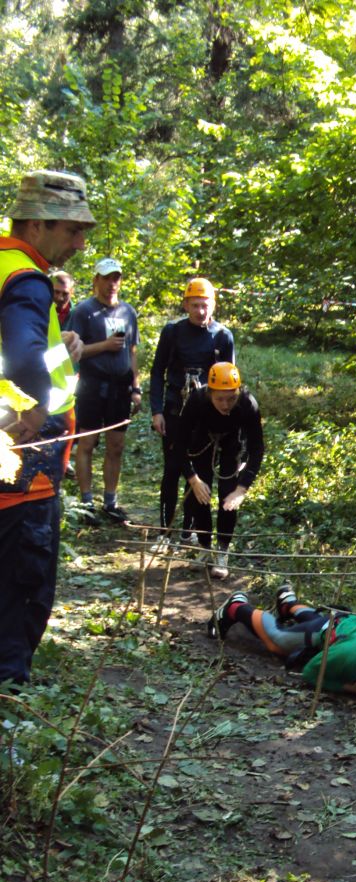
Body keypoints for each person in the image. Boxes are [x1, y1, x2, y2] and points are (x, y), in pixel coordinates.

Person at [0, 169, 94, 686]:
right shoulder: (26, 279)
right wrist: (33, 418)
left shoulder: (3, 267)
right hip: (22, 479)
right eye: (71, 229)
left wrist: (61, 350)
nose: (79, 242)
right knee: (19, 596)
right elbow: (21, 358)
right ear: (36, 224)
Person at [208, 585, 356, 704]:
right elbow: (312, 671)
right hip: (335, 632)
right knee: (278, 642)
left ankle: (288, 604)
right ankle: (235, 606)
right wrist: (351, 688)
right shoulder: (352, 657)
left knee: (313, 620)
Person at [149, 277, 234, 538]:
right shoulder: (172, 332)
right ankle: (165, 531)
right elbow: (157, 372)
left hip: (204, 418)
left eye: (205, 305)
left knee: (199, 473)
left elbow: (230, 382)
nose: (201, 311)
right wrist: (157, 410)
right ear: (186, 305)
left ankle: (188, 529)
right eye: (195, 305)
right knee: (173, 470)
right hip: (175, 412)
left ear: (213, 305)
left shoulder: (222, 337)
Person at [67, 257, 140, 523]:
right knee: (87, 442)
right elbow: (73, 351)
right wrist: (104, 346)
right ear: (96, 279)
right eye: (107, 278)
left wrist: (136, 387)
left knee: (116, 445)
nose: (112, 284)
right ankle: (87, 503)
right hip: (91, 384)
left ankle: (110, 501)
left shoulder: (128, 312)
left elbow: (132, 352)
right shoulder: (84, 311)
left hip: (120, 387)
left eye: (116, 278)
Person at [176, 363, 262, 580]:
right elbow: (179, 445)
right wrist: (193, 479)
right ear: (210, 393)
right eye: (220, 399)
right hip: (201, 441)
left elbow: (257, 450)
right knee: (200, 495)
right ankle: (205, 548)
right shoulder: (196, 401)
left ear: (238, 392)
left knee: (228, 494)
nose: (226, 405)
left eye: (231, 398)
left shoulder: (247, 404)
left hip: (232, 443)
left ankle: (222, 550)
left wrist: (242, 489)